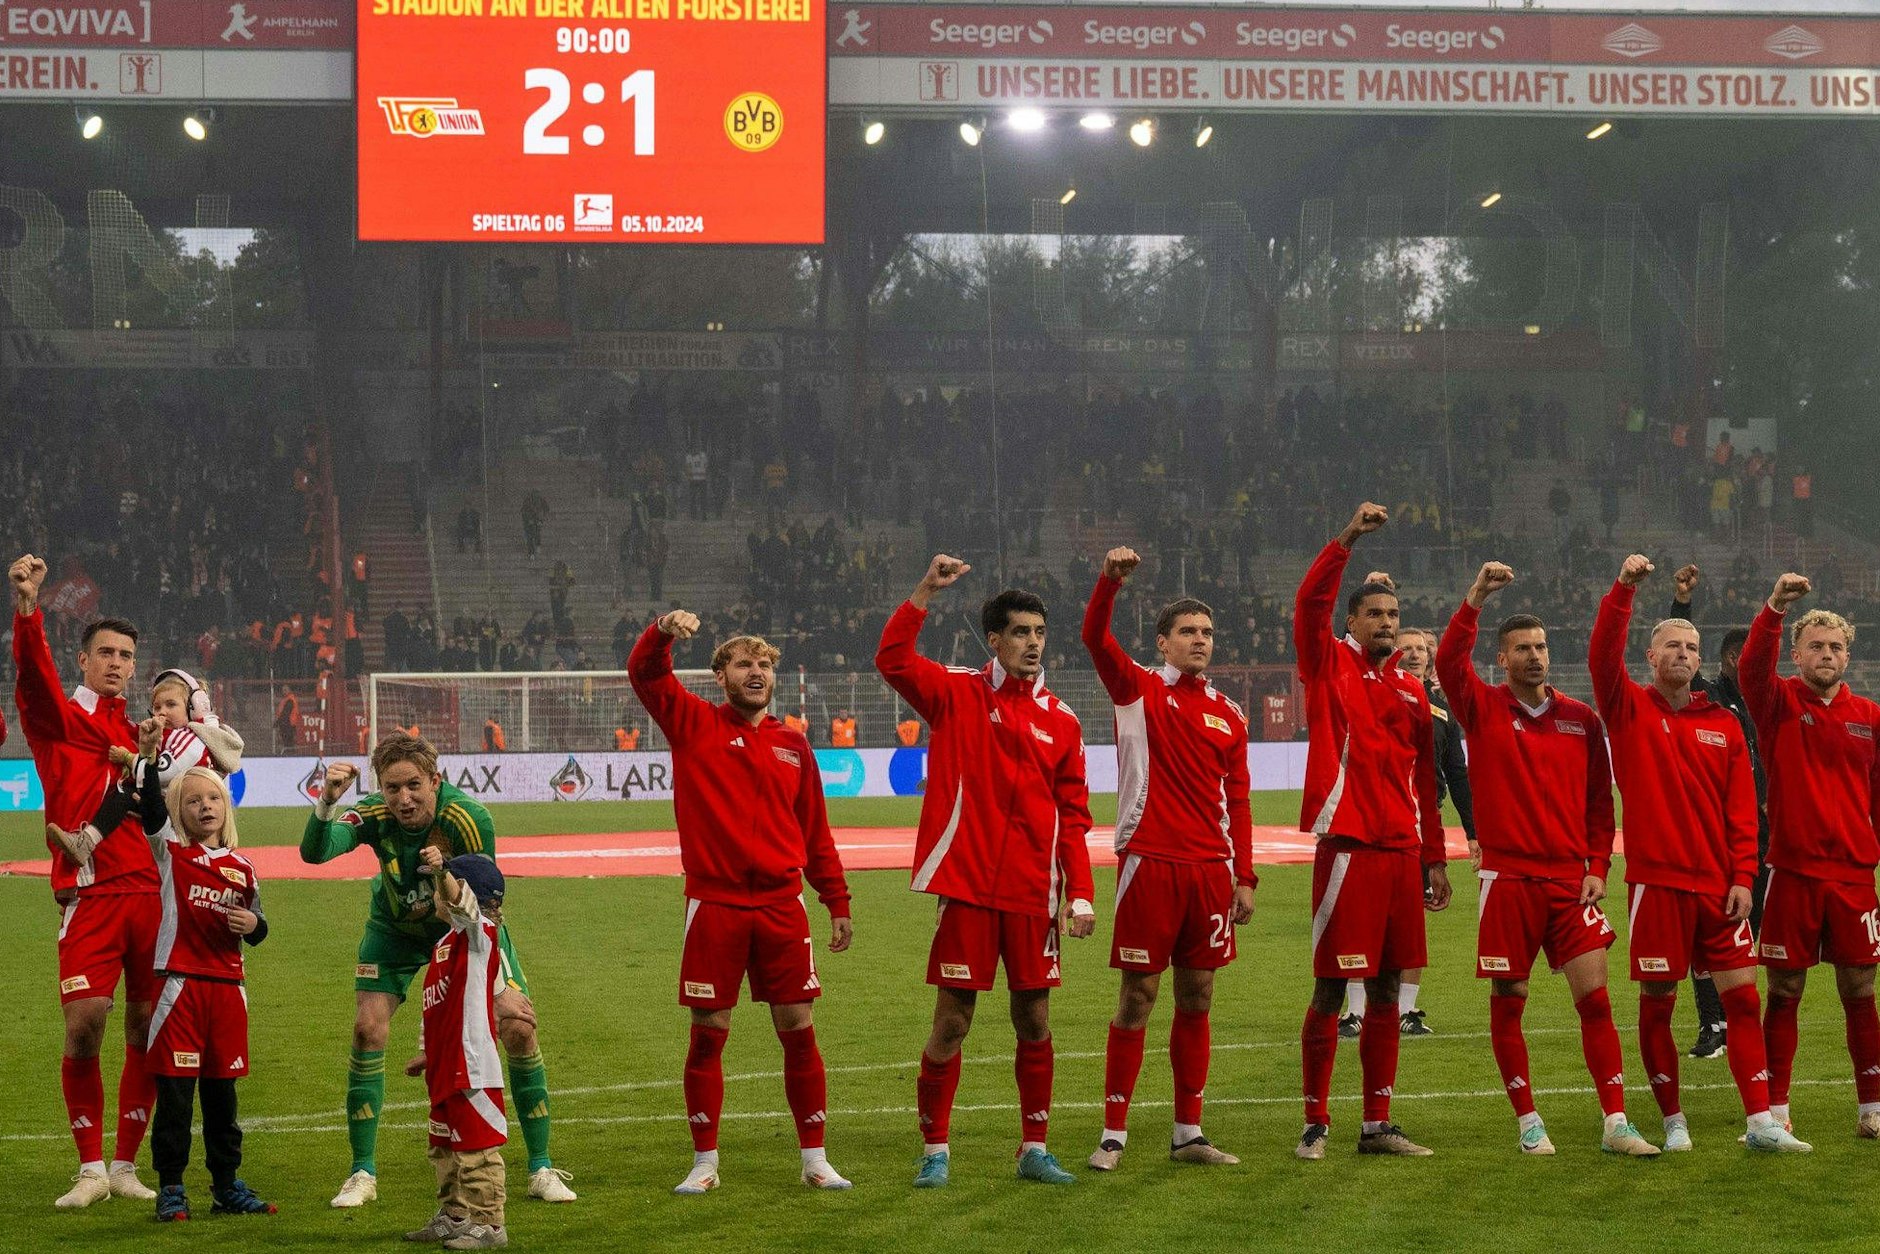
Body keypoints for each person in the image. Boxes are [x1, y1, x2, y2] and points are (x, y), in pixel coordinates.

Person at [877, 555, 1096, 1188]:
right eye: (1020, 632)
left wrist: (1078, 892)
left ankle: (1034, 1148)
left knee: (1034, 1021)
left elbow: (1074, 817)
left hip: (1034, 896)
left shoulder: (1064, 722)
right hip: (969, 891)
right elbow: (892, 659)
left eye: (1039, 632)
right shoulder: (956, 693)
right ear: (994, 639)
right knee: (953, 1020)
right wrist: (923, 591)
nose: (1032, 643)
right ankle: (936, 1151)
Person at [1436, 562, 1658, 1157]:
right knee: (1509, 1001)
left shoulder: (1581, 720)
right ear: (1501, 660)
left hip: (1569, 882)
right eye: (1521, 649)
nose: (1534, 656)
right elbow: (1446, 664)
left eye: (1540, 646)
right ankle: (1528, 1119)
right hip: (1506, 878)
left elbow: (1598, 808)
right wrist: (1476, 596)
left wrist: (1596, 868)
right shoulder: (1481, 708)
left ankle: (1616, 1121)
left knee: (1597, 999)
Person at [629, 610, 854, 1194]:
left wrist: (836, 899)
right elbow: (645, 674)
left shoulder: (793, 744)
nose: (756, 672)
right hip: (716, 905)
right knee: (708, 1032)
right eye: (743, 663)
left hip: (782, 906)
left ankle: (814, 1160)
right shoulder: (693, 724)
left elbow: (815, 833)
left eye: (764, 664)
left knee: (798, 1029)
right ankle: (705, 1164)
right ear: (720, 675)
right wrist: (662, 632)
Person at [1589, 554, 1809, 1152]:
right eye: (1672, 646)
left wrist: (1743, 876)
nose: (1684, 653)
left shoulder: (1725, 723)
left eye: (1691, 646)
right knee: (1659, 1005)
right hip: (1657, 887)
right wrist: (1624, 591)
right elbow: (1601, 656)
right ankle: (1672, 1120)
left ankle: (1760, 1121)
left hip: (1720, 889)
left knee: (1743, 998)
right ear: (1651, 658)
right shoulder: (1628, 707)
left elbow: (1743, 811)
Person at [300, 735, 576, 1207]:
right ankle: (362, 1172)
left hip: (461, 928)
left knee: (518, 1029)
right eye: (391, 788)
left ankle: (542, 1167)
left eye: (413, 786)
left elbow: (486, 906)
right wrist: (327, 801)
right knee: (368, 1029)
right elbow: (316, 853)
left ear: (435, 780)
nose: (402, 799)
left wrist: (498, 986)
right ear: (380, 789)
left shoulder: (468, 819)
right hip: (393, 931)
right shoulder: (374, 814)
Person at [1081, 547, 1254, 1171]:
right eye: (1188, 632)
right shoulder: (1136, 689)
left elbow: (1239, 798)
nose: (1200, 641)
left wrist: (1245, 876)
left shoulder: (1229, 714)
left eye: (1207, 633)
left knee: (1199, 994)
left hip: (1210, 871)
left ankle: (1188, 1133)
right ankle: (1114, 1132)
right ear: (1162, 643)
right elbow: (1093, 637)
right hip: (1149, 862)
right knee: (1138, 995)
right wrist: (1110, 583)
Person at [1291, 505, 1450, 1161]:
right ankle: (1316, 1121)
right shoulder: (1329, 664)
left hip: (1400, 855)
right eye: (1375, 615)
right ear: (1353, 622)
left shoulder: (1413, 693)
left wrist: (1434, 860)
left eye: (1394, 615)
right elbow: (1308, 604)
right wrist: (1346, 540)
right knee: (1333, 990)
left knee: (1386, 991)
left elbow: (1424, 783)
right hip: (1348, 852)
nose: (1388, 624)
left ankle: (1377, 1125)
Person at [10, 553, 160, 1207]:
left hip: (149, 893)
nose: (117, 662)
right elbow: (33, 672)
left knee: (145, 1026)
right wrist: (27, 608)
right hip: (89, 895)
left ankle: (126, 1167)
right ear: (84, 659)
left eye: (126, 654)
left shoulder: (133, 729)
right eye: (106, 652)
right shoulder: (57, 719)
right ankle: (89, 1168)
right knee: (84, 1026)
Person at [1741, 573, 1880, 1140]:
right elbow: (1751, 668)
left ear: (1848, 655)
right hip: (1793, 873)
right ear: (1795, 655)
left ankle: (1871, 1107)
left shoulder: (1869, 717)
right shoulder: (1776, 701)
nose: (1826, 655)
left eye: (1836, 647)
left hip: (1852, 878)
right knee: (1784, 990)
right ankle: (1775, 1109)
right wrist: (1773, 608)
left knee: (1861, 989)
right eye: (1816, 647)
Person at [127, 760, 277, 1220]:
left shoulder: (242, 866)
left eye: (212, 798)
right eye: (192, 800)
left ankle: (226, 1186)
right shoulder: (170, 852)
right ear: (179, 811)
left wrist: (254, 923)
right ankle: (171, 1187)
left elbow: (259, 925)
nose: (204, 806)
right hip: (180, 987)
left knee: (222, 1096)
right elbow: (150, 808)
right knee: (175, 1095)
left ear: (225, 805)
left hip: (229, 991)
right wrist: (147, 759)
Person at [1339, 617, 1474, 1039]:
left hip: (1417, 829)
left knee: (1410, 922)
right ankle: (1355, 1011)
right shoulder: (1369, 692)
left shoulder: (1440, 711)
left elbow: (1458, 774)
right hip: (1368, 823)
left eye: (1422, 647)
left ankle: (1407, 1010)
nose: (1415, 652)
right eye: (1407, 645)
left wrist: (1473, 833)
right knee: (1360, 922)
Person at [1669, 563, 1769, 1059]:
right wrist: (1682, 605)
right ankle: (1714, 1023)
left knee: (1752, 937)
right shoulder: (1715, 697)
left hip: (1765, 836)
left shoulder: (1769, 699)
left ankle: (1741, 1020)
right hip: (1715, 837)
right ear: (1733, 658)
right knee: (1706, 937)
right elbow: (1678, 662)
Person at [404, 850, 512, 1250]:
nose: (433, 892)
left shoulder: (477, 935)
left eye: (437, 887)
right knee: (445, 1148)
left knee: (476, 1149)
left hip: (472, 1066)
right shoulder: (446, 943)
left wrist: (442, 871)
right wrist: (426, 1053)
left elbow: (465, 906)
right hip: (445, 1066)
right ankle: (454, 1216)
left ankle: (491, 1225)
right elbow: (437, 1008)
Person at [48, 668, 244, 868]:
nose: (162, 712)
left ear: (193, 709)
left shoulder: (189, 737)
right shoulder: (175, 737)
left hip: (182, 812)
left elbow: (161, 773)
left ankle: (86, 842)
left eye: (171, 705)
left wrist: (127, 757)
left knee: (125, 792)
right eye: (157, 707)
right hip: (182, 810)